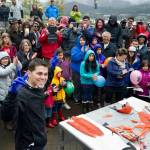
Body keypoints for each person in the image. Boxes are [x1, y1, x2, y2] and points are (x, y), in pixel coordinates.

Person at [1, 58, 49, 150]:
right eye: (39, 73)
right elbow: (6, 116)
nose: (43, 77)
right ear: (29, 73)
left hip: (40, 141)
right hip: (28, 146)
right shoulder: (20, 93)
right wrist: (12, 95)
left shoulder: (39, 86)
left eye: (45, 74)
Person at [71, 36, 89, 103]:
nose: (82, 41)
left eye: (83, 40)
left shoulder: (87, 48)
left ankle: (82, 97)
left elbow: (89, 57)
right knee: (77, 84)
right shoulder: (74, 49)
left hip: (84, 70)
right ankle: (76, 97)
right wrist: (82, 52)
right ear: (78, 41)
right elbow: (74, 58)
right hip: (76, 70)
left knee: (83, 84)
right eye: (80, 40)